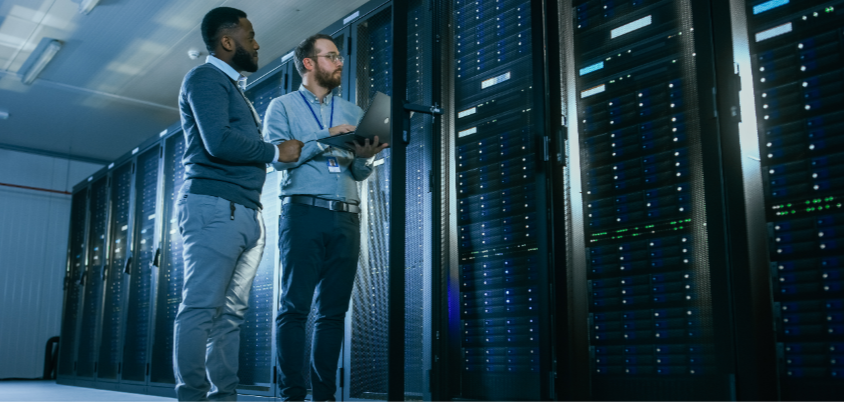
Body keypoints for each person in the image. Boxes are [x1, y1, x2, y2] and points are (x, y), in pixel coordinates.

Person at [174, 7, 303, 402]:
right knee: (201, 308)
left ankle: (223, 396)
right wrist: (274, 152)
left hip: (244, 211)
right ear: (227, 41)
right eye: (250, 36)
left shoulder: (233, 88)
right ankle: (192, 396)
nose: (257, 43)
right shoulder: (205, 78)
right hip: (215, 205)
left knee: (230, 316)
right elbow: (219, 141)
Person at [263, 34, 388, 402]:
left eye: (339, 56)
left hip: (347, 217)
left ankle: (324, 396)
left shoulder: (352, 111)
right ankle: (292, 394)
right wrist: (325, 136)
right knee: (295, 308)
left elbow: (359, 173)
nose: (339, 62)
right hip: (303, 213)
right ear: (309, 63)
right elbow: (279, 159)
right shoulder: (282, 107)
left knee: (333, 313)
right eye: (331, 56)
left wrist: (366, 156)